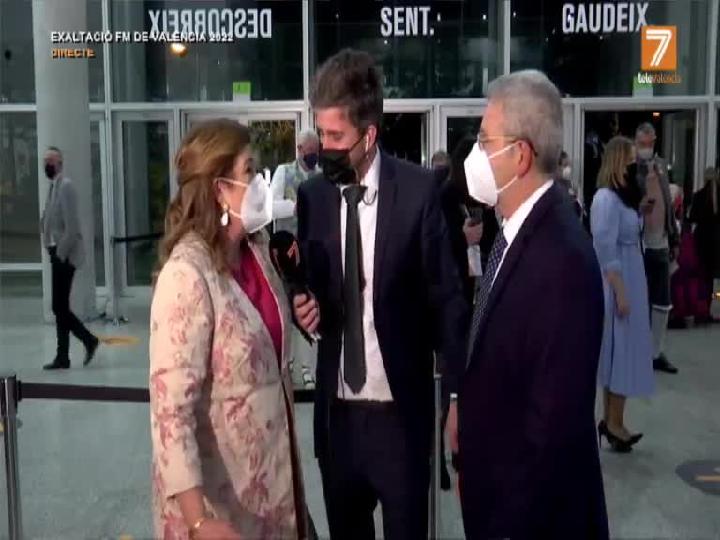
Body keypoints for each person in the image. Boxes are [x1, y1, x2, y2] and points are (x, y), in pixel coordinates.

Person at [293, 49, 468, 540]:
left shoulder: (418, 192)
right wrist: (304, 308)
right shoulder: (313, 198)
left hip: (400, 419)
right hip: (338, 420)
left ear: (368, 136)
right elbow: (313, 287)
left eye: (335, 137)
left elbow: (449, 301)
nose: (323, 148)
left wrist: (458, 395)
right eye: (321, 133)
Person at [447, 70, 608, 539]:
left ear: (519, 155)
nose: (475, 155)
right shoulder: (517, 230)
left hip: (528, 518)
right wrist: (461, 403)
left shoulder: (562, 258)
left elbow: (553, 424)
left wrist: (506, 522)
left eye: (484, 140)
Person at [149, 119, 308, 539]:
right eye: (249, 171)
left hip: (276, 491)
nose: (260, 183)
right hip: (221, 508)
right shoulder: (187, 274)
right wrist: (198, 520)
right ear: (220, 188)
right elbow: (171, 414)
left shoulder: (257, 252)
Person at [591, 136, 654, 453]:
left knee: (624, 352)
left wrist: (639, 210)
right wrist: (620, 291)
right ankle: (613, 422)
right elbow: (604, 247)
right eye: (629, 159)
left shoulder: (622, 198)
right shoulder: (605, 199)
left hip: (631, 275)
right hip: (618, 280)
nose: (634, 164)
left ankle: (614, 420)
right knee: (619, 352)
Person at [430, 149, 478, 492]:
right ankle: (438, 454)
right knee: (447, 386)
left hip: (469, 296)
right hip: (449, 305)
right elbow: (438, 249)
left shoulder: (470, 199)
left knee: (461, 381)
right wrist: (464, 239)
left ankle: (457, 449)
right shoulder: (445, 197)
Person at [40, 146, 99, 370]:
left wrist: (60, 253)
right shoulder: (53, 187)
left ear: (60, 163)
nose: (47, 165)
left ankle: (88, 340)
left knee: (58, 306)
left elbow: (72, 227)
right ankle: (62, 356)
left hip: (65, 254)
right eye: (45, 160)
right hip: (56, 252)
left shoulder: (66, 187)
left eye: (51, 161)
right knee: (60, 306)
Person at [270, 129, 321, 389]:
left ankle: (308, 368)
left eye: (316, 152)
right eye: (309, 152)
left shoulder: (321, 174)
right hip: (287, 255)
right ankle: (287, 362)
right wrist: (295, 206)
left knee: (310, 308)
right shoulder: (284, 172)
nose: (313, 156)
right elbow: (270, 207)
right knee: (287, 309)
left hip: (312, 253)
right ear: (299, 150)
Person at [635, 122, 680, 374]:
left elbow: (668, 204)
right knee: (641, 301)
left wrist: (674, 237)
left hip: (661, 241)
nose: (646, 148)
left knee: (662, 302)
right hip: (640, 244)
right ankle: (641, 351)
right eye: (642, 143)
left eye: (649, 143)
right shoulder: (631, 168)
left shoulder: (661, 165)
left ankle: (656, 352)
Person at [689, 167, 720, 323]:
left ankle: (701, 309)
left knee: (701, 278)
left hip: (701, 241)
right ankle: (710, 306)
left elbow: (692, 217)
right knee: (712, 280)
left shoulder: (698, 196)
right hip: (716, 241)